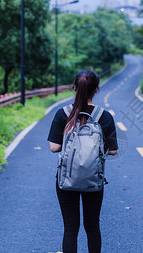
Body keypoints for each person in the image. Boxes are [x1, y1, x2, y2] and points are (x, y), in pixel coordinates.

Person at [47, 70, 118, 253]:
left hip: (66, 179)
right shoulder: (105, 116)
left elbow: (54, 147)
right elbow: (114, 150)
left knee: (70, 228)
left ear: (74, 88)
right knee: (92, 227)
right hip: (93, 178)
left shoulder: (63, 114)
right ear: (96, 89)